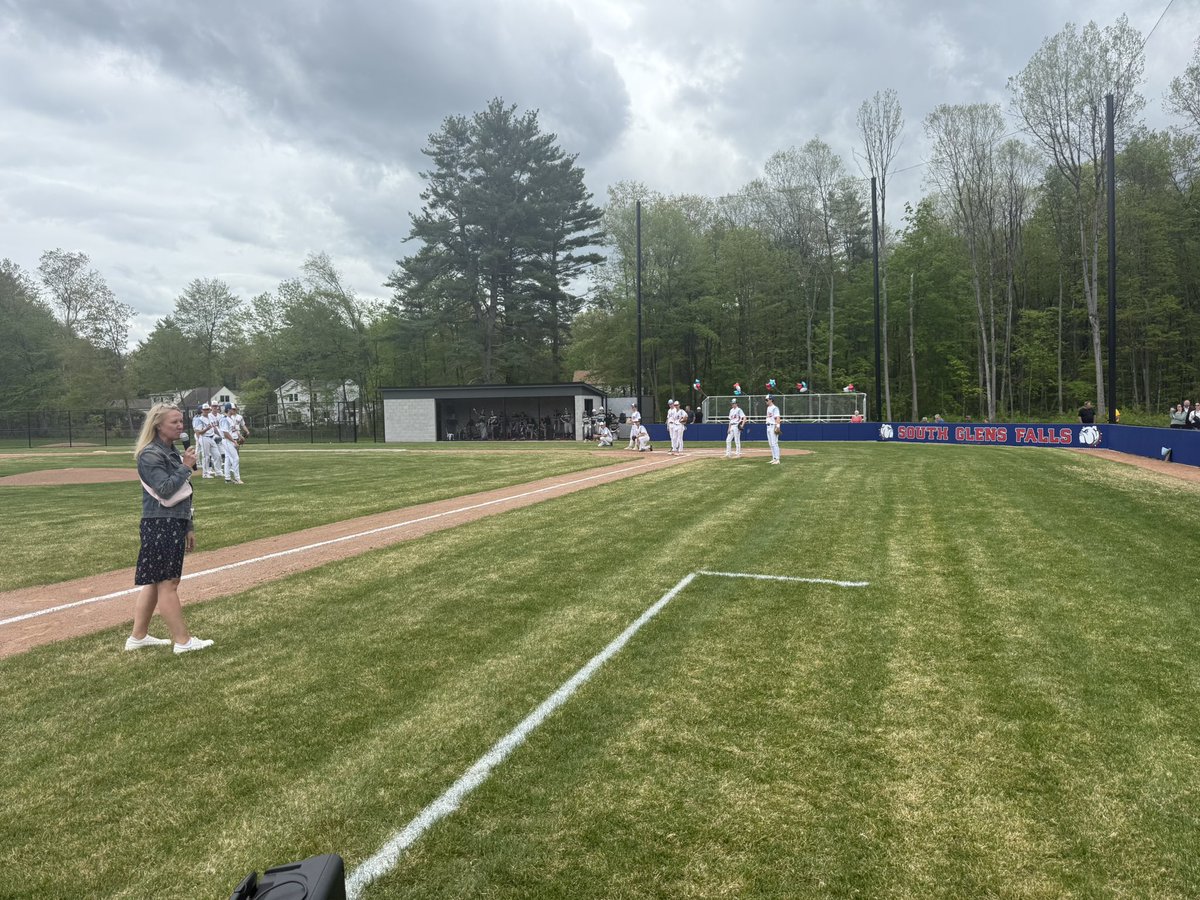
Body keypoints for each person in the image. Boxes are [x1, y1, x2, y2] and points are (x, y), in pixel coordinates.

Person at [127, 403, 213, 655]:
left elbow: (185, 494)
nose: (180, 426)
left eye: (181, 421)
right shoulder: (150, 454)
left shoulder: (170, 451)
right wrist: (185, 466)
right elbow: (165, 489)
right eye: (174, 422)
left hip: (172, 521)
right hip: (160, 523)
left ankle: (138, 637)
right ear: (158, 425)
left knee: (155, 582)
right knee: (168, 582)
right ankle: (183, 641)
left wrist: (188, 524)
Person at [218, 403, 243, 483]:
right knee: (236, 458)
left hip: (230, 440)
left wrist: (239, 436)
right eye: (233, 409)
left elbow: (233, 429)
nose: (235, 410)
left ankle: (227, 478)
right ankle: (237, 478)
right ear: (228, 409)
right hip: (227, 440)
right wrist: (234, 441)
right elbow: (225, 433)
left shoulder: (230, 418)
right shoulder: (224, 419)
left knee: (228, 459)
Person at [764, 394, 781, 464]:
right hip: (768, 426)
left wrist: (777, 427)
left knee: (774, 443)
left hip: (773, 426)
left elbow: (777, 418)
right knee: (771, 444)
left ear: (771, 400)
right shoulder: (768, 408)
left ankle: (777, 459)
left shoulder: (775, 408)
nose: (766, 401)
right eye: (765, 400)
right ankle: (774, 458)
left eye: (767, 400)